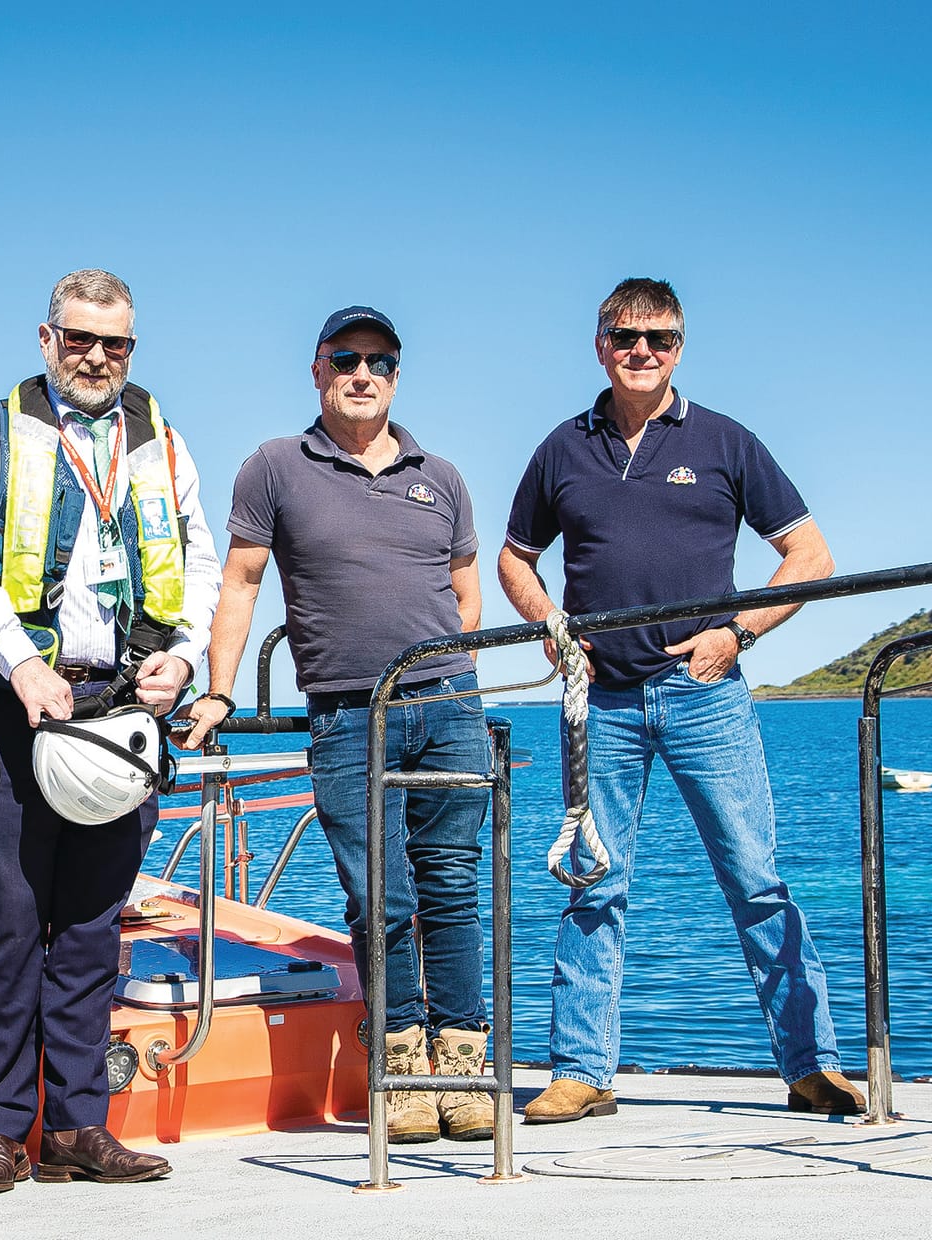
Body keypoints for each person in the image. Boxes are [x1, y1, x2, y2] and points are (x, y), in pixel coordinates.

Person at [496, 277, 865, 1124]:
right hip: (602, 703)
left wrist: (739, 633)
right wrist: (551, 625)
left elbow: (808, 555)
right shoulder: (563, 447)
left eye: (659, 339)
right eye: (626, 337)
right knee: (594, 882)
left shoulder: (726, 441)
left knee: (756, 879)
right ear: (599, 343)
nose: (642, 353)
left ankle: (814, 1067)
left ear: (680, 348)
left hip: (706, 695)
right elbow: (515, 558)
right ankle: (582, 1072)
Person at [0, 269, 221, 1194]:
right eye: (80, 337)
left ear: (133, 347)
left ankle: (78, 1127)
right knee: (14, 919)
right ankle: (2, 1132)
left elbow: (201, 561)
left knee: (94, 925)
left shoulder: (162, 439)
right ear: (46, 339)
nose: (99, 356)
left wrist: (181, 653)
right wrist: (19, 661)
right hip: (14, 707)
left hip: (123, 714)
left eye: (117, 343)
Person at [181, 306, 493, 1144]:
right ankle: (397, 1065)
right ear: (318, 371)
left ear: (397, 375)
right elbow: (242, 583)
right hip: (350, 715)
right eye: (346, 359)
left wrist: (455, 670)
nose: (364, 374)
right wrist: (218, 691)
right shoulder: (275, 467)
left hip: (449, 707)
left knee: (454, 887)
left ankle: (462, 1065)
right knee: (379, 895)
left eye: (380, 361)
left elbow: (466, 589)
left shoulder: (443, 476)